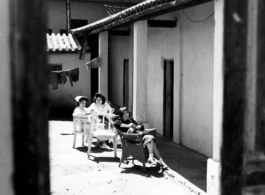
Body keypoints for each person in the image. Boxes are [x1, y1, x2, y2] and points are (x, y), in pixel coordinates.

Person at [114, 107, 172, 174]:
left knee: (151, 140)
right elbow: (116, 124)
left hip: (139, 137)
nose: (127, 116)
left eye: (127, 114)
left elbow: (140, 125)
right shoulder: (119, 121)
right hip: (132, 139)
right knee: (151, 140)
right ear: (121, 115)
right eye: (125, 115)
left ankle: (152, 158)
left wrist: (139, 126)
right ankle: (160, 162)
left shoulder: (130, 119)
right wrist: (128, 126)